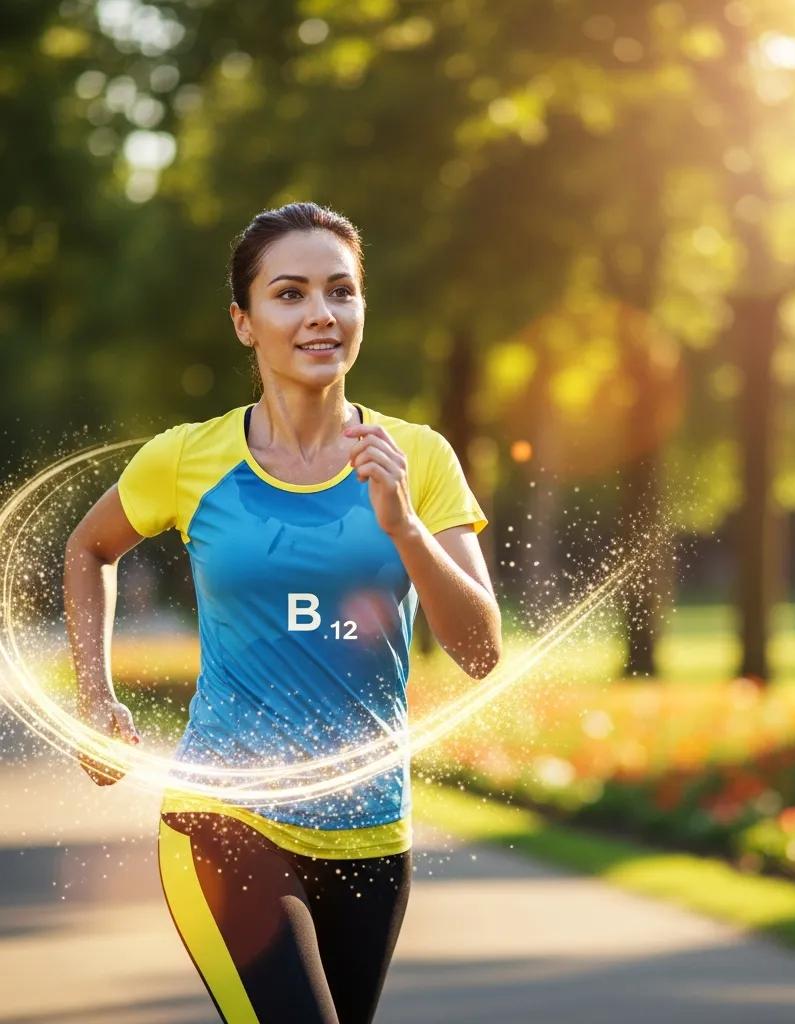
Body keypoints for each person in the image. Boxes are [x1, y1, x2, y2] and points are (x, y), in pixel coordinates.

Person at [63, 201, 501, 1023]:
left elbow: (479, 650)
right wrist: (95, 694)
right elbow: (89, 549)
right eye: (290, 293)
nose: (320, 313)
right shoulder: (188, 457)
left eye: (341, 291)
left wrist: (405, 527)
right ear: (245, 322)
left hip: (372, 834)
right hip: (223, 818)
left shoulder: (419, 458)